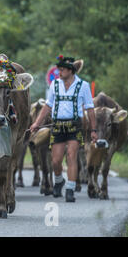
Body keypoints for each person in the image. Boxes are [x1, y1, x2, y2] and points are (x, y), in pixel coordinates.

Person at [30, 55, 97, 202]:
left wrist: (93, 130)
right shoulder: (54, 84)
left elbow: (90, 108)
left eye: (62, 69)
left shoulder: (83, 86)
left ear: (71, 71)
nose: (59, 72)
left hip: (75, 126)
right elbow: (48, 106)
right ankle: (59, 180)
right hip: (58, 125)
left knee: (72, 156)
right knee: (55, 161)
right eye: (59, 69)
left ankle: (70, 189)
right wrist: (37, 123)